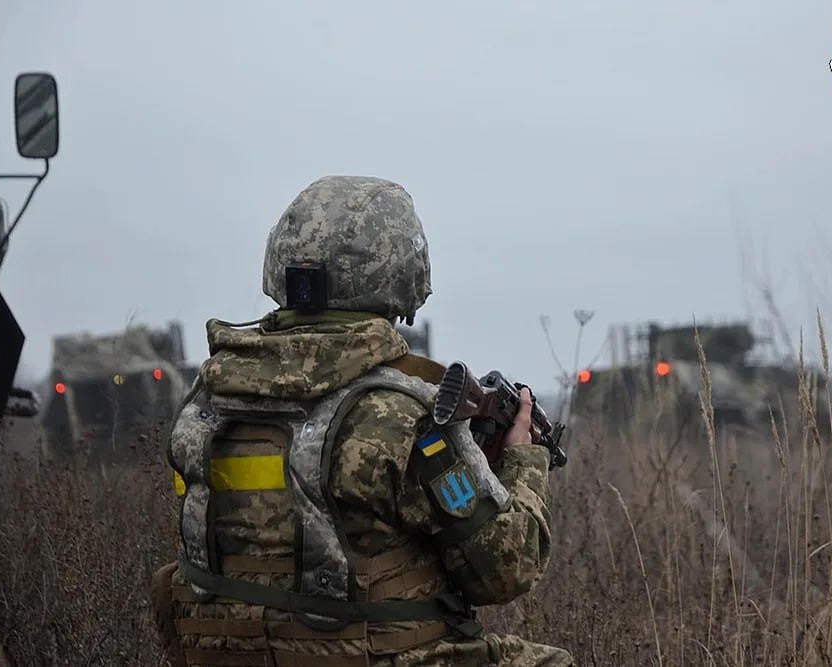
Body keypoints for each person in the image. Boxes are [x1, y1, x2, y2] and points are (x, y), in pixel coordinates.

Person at [151, 175, 574, 666]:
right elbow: (505, 572)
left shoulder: (209, 398)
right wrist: (523, 461)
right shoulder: (403, 415)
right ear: (401, 273)